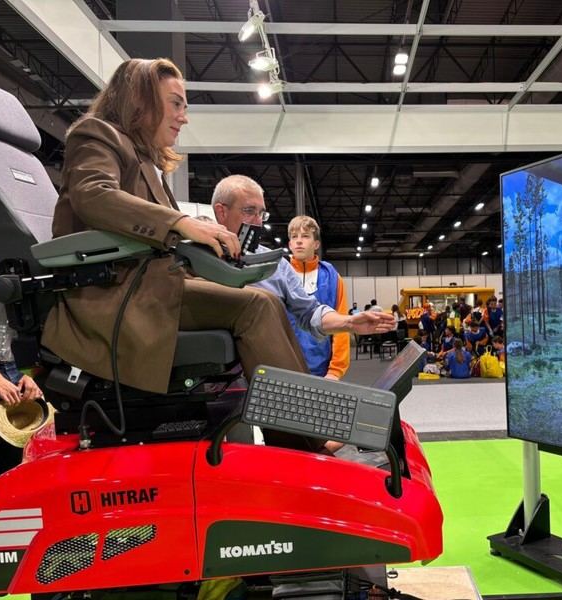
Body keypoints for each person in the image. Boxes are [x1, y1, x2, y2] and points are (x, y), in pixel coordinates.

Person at [41, 58, 392, 450]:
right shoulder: (96, 133)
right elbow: (94, 196)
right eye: (176, 104)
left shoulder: (146, 161)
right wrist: (181, 223)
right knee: (255, 306)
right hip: (114, 299)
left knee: (264, 300)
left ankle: (307, 424)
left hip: (147, 290)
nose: (183, 117)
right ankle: (301, 439)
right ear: (141, 99)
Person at [210, 175, 393, 364]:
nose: (258, 222)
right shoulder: (192, 256)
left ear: (316, 244)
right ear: (221, 212)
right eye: (249, 211)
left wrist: (349, 323)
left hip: (267, 372)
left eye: (261, 214)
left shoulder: (277, 265)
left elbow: (310, 312)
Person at [285, 215, 349, 380]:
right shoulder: (277, 275)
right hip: (283, 366)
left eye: (305, 236)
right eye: (294, 237)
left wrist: (336, 370)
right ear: (289, 244)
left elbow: (342, 327)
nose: (299, 241)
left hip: (321, 370)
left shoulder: (332, 278)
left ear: (316, 244)